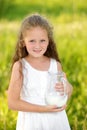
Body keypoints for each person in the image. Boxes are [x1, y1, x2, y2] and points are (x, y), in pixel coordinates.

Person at [8, 13, 73, 130]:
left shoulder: (55, 65)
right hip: (32, 122)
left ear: (49, 41)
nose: (37, 46)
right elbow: (12, 102)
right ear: (23, 42)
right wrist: (44, 109)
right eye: (32, 41)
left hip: (56, 120)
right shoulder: (20, 67)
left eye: (42, 40)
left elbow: (66, 93)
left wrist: (67, 87)